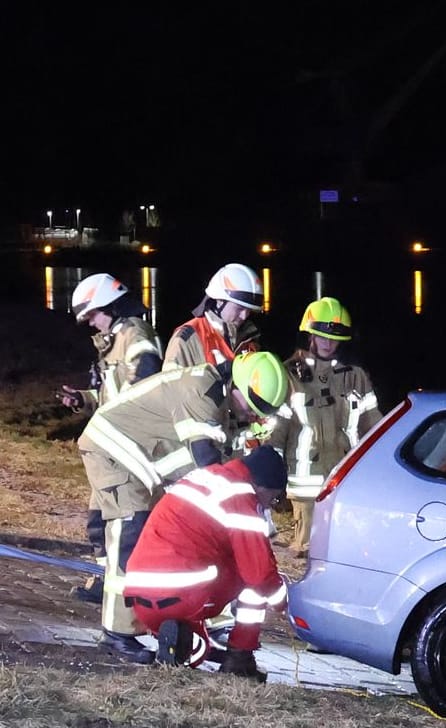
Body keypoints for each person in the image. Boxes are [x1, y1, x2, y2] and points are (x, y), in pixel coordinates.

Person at [77, 352, 290, 663]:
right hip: (115, 453)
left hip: (141, 461)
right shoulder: (201, 393)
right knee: (129, 532)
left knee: (146, 534)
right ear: (237, 387)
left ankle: (168, 628)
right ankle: (116, 634)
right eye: (250, 407)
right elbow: (209, 465)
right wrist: (244, 513)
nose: (250, 416)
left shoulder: (218, 396)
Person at [123, 446, 289, 682]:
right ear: (262, 487)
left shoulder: (206, 476)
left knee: (234, 564)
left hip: (140, 595)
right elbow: (260, 575)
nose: (271, 505)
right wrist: (282, 600)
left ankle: (180, 640)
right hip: (183, 596)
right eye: (274, 497)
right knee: (254, 579)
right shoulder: (241, 498)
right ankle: (240, 657)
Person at [57, 273, 164, 603]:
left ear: (110, 306)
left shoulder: (136, 337)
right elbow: (112, 395)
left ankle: (123, 592)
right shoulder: (114, 340)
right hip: (110, 447)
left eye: (93, 315)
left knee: (124, 525)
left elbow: (144, 390)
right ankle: (106, 582)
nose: (91, 324)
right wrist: (83, 399)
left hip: (127, 450)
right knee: (98, 524)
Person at [266, 297, 381, 557]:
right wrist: (271, 480)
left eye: (334, 338)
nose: (328, 344)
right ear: (309, 335)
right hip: (304, 488)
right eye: (322, 337)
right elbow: (276, 434)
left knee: (347, 550)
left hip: (346, 481)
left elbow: (373, 426)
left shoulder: (356, 376)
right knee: (304, 554)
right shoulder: (288, 375)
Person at [161, 263, 264, 370]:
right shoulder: (187, 339)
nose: (244, 316)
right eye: (239, 308)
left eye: (249, 310)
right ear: (219, 301)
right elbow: (172, 385)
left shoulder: (249, 337)